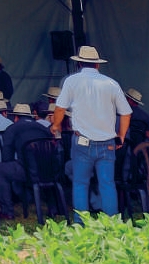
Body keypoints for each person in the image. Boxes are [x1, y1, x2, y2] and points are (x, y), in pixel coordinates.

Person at [51, 44, 129, 224]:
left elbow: (60, 108)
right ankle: (112, 224)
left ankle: (80, 225)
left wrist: (55, 125)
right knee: (107, 184)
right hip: (107, 142)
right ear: (97, 65)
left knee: (80, 184)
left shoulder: (71, 81)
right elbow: (126, 112)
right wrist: (121, 135)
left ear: (79, 64)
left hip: (82, 141)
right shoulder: (111, 83)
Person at [0, 103, 46, 217]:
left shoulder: (12, 129)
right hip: (48, 171)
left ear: (16, 117)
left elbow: (7, 158)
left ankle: (7, 210)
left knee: (0, 170)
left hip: (27, 171)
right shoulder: (43, 128)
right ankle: (54, 207)